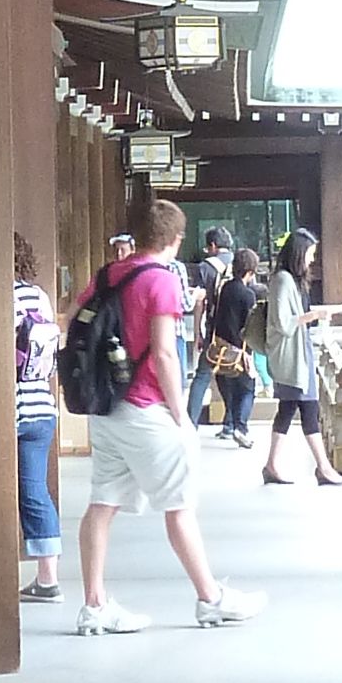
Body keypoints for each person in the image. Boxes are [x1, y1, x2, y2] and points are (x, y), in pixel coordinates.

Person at [72, 197, 266, 636]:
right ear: (177, 240)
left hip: (107, 407)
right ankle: (210, 598)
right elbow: (163, 351)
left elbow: (73, 320)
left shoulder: (107, 274)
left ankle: (94, 604)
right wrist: (181, 413)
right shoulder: (160, 281)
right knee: (179, 506)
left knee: (101, 504)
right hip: (145, 406)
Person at [259, 230, 342, 487]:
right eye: (310, 253)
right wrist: (315, 316)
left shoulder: (287, 280)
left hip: (298, 354)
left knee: (290, 409)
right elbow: (284, 324)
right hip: (292, 357)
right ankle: (323, 467)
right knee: (308, 408)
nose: (311, 259)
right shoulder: (283, 281)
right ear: (298, 252)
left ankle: (274, 465)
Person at [12, 234, 62, 603]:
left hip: (13, 408)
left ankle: (48, 580)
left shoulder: (1, 297)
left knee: (29, 493)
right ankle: (47, 575)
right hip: (42, 405)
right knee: (35, 491)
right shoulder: (38, 295)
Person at [207, 241, 265, 443]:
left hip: (220, 348)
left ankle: (228, 425)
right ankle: (241, 427)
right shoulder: (248, 295)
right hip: (238, 351)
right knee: (248, 390)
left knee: (228, 390)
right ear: (250, 270)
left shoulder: (224, 288)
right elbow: (249, 327)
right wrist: (248, 353)